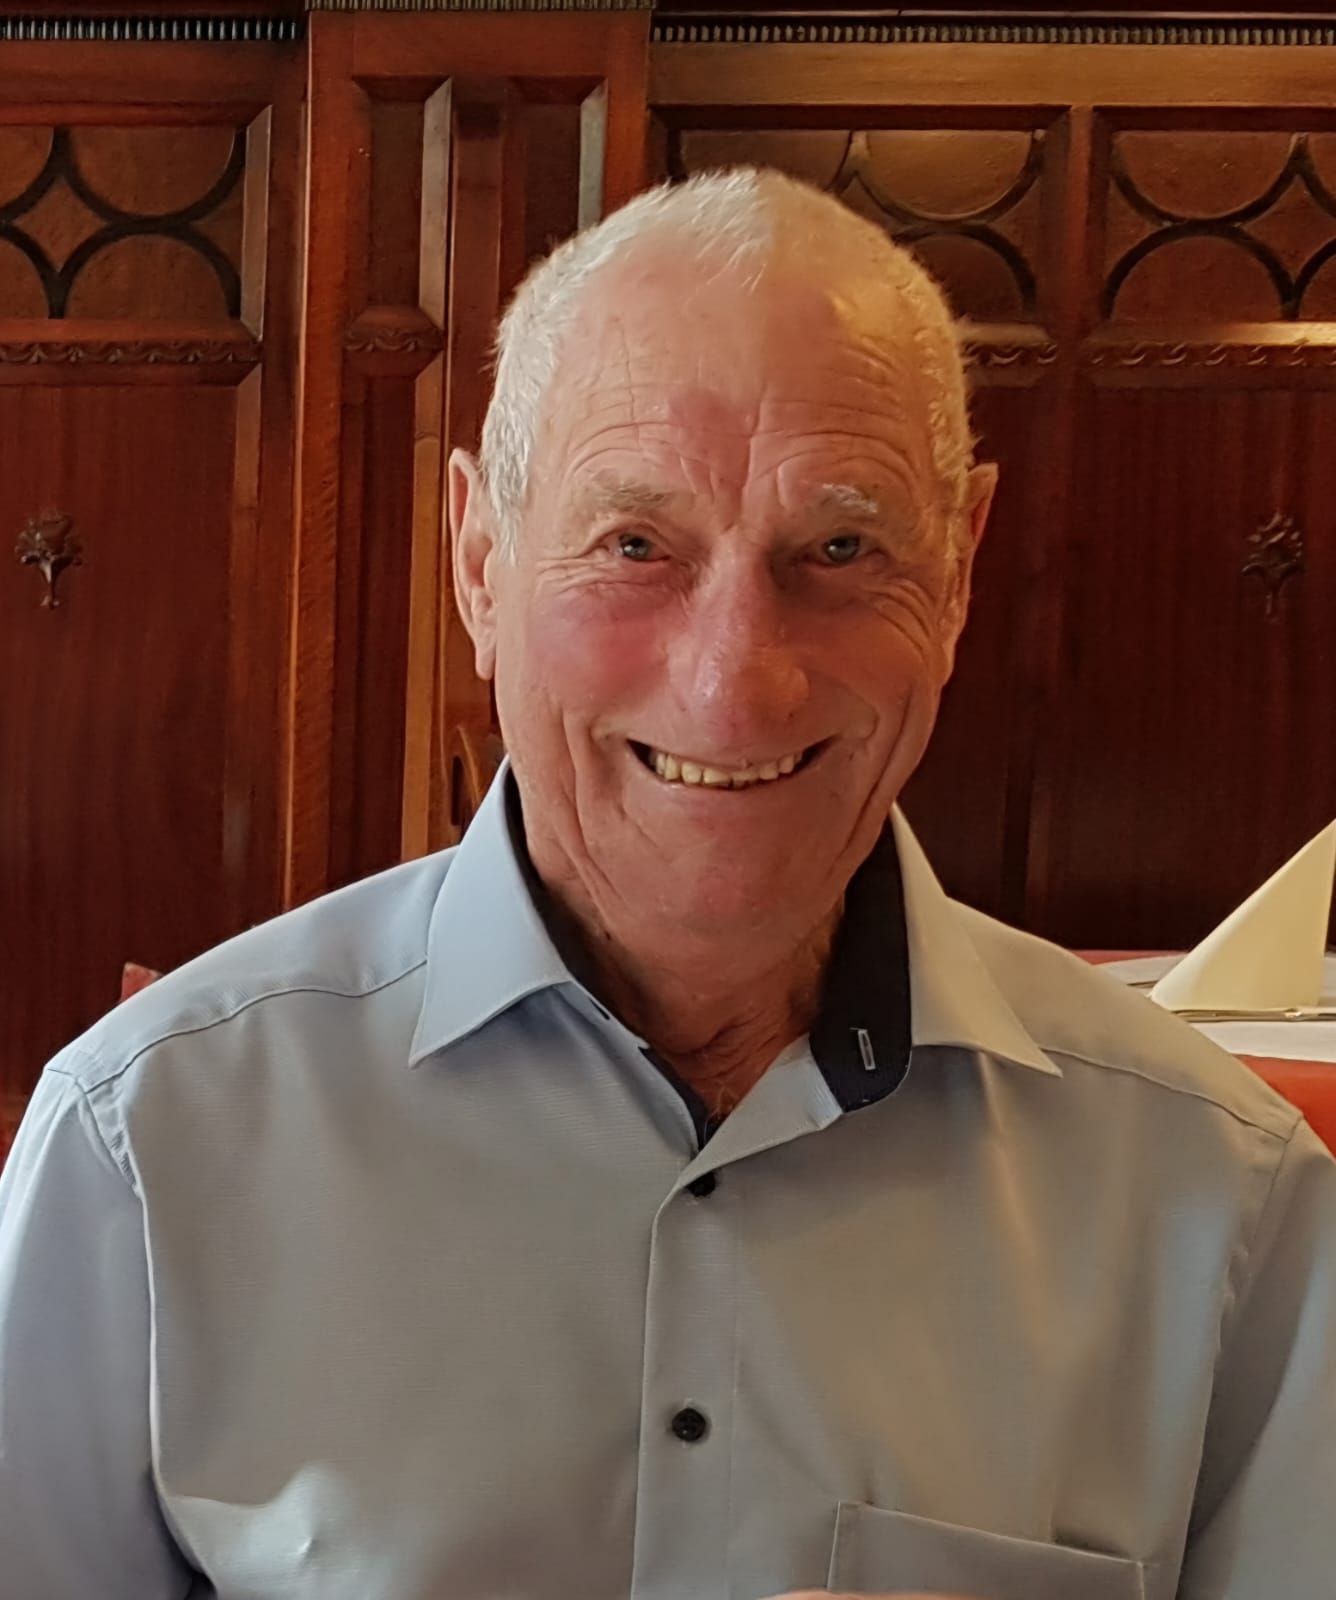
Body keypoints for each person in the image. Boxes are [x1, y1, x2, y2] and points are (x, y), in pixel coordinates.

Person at [0, 168, 1333, 1600]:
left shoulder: (1230, 1205)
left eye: (840, 548)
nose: (733, 682)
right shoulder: (145, 1147)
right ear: (478, 561)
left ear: (957, 573)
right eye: (635, 546)